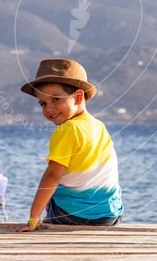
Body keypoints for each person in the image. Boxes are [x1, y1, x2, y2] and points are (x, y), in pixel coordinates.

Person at [17, 58, 123, 231]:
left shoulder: (67, 130)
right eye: (43, 103)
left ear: (78, 97)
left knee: (55, 190)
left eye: (56, 99)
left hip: (74, 216)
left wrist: (33, 218)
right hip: (109, 216)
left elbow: (52, 176)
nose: (49, 109)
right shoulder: (99, 126)